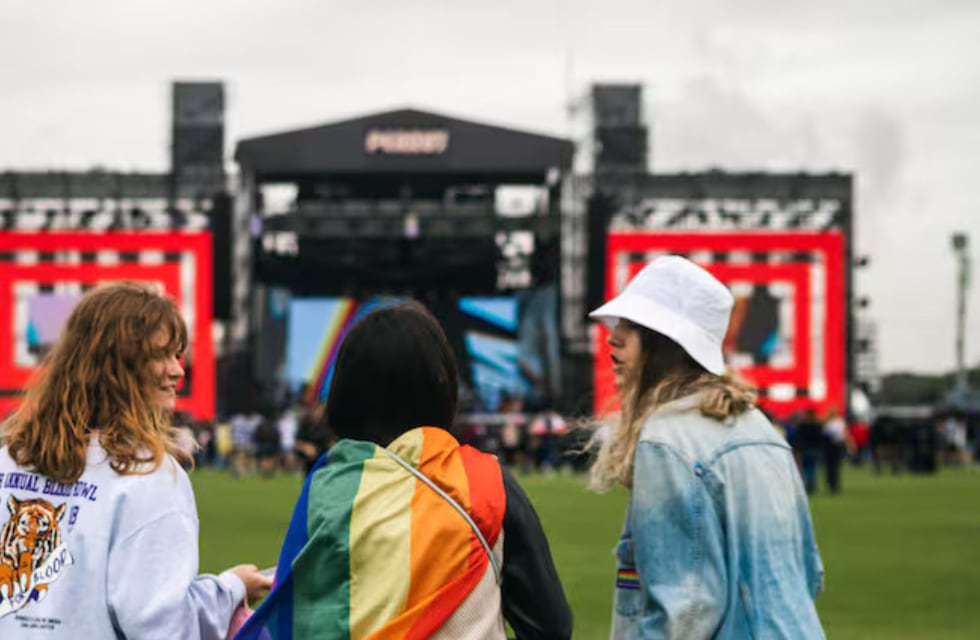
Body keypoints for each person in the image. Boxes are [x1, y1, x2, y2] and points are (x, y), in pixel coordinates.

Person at [234, 301, 572, 639]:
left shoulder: (327, 489)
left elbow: (301, 620)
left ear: (345, 391)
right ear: (442, 385)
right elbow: (551, 628)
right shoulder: (486, 485)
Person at [0, 281, 271, 639]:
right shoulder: (148, 476)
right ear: (115, 366)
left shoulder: (9, 459)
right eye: (160, 356)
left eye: (177, 355)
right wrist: (230, 590)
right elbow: (162, 627)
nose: (178, 371)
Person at [588, 256, 824, 639]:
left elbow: (686, 612)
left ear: (664, 343)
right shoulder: (763, 431)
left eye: (630, 326)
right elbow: (808, 574)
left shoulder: (667, 439)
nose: (612, 336)